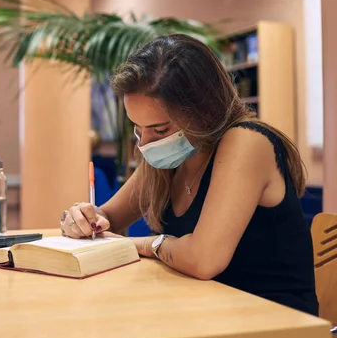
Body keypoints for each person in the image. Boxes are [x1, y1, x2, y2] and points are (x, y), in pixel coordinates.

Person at [61, 34, 319, 316]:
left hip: (272, 322)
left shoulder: (246, 142)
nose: (144, 143)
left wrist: (148, 243)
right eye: (138, 127)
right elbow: (107, 218)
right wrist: (83, 219)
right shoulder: (170, 153)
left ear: (205, 111)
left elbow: (203, 259)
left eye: (159, 130)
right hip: (202, 312)